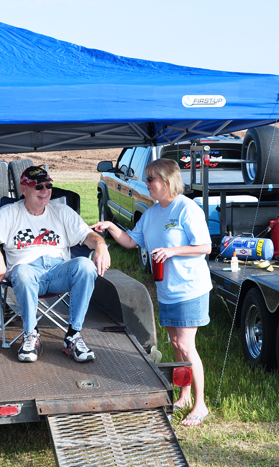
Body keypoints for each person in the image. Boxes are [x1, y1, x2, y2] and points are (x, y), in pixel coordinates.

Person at [90, 158, 212, 426]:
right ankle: (184, 396)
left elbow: (205, 247)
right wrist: (110, 226)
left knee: (186, 345)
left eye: (150, 179)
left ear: (167, 181)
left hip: (190, 288)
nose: (146, 183)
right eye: (146, 178)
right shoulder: (152, 213)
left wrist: (172, 251)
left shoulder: (186, 209)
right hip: (167, 290)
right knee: (176, 346)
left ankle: (201, 405)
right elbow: (130, 241)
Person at [0, 166, 110, 363]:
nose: (45, 190)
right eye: (38, 186)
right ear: (23, 189)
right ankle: (31, 335)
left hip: (59, 271)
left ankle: (73, 336)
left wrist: (100, 244)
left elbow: (87, 235)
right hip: (27, 273)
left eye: (48, 185)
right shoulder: (9, 213)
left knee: (85, 265)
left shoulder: (62, 211)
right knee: (22, 272)